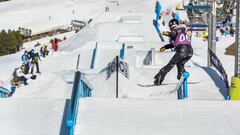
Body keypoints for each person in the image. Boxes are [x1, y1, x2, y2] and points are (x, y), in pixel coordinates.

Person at [154, 19, 193, 85]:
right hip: (190, 51)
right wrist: (165, 47)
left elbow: (173, 34)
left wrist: (167, 33)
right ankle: (182, 76)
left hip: (181, 51)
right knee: (180, 63)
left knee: (170, 64)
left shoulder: (177, 29)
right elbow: (174, 44)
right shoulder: (184, 30)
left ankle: (160, 77)